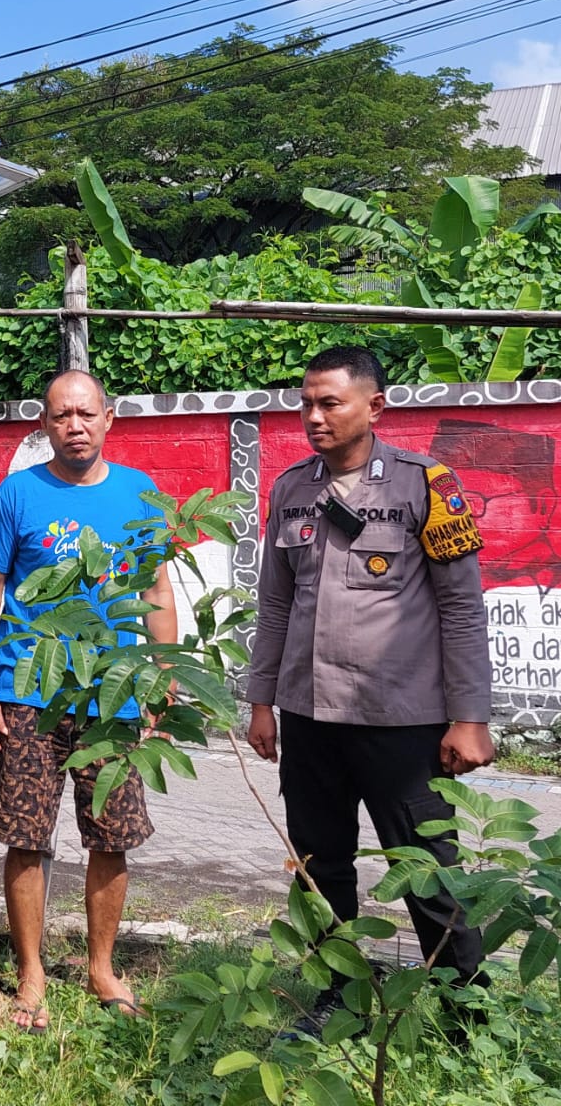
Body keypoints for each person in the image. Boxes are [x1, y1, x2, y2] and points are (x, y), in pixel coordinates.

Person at [247, 345, 494, 1030]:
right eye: (306, 403)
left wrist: (469, 716)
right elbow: (274, 604)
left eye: (330, 402)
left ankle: (464, 1013)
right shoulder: (291, 488)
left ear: (374, 407)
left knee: (428, 870)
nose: (313, 416)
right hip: (308, 717)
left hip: (401, 719)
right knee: (320, 867)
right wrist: (262, 700)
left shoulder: (425, 485)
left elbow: (461, 607)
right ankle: (334, 996)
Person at [0, 369, 177, 1033]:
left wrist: (160, 676)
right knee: (26, 839)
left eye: (86, 413)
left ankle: (100, 967)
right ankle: (31, 973)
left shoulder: (141, 495)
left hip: (110, 696)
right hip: (29, 692)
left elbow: (158, 589)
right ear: (45, 424)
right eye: (61, 416)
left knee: (111, 839)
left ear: (109, 418)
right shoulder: (18, 494)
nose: (74, 426)